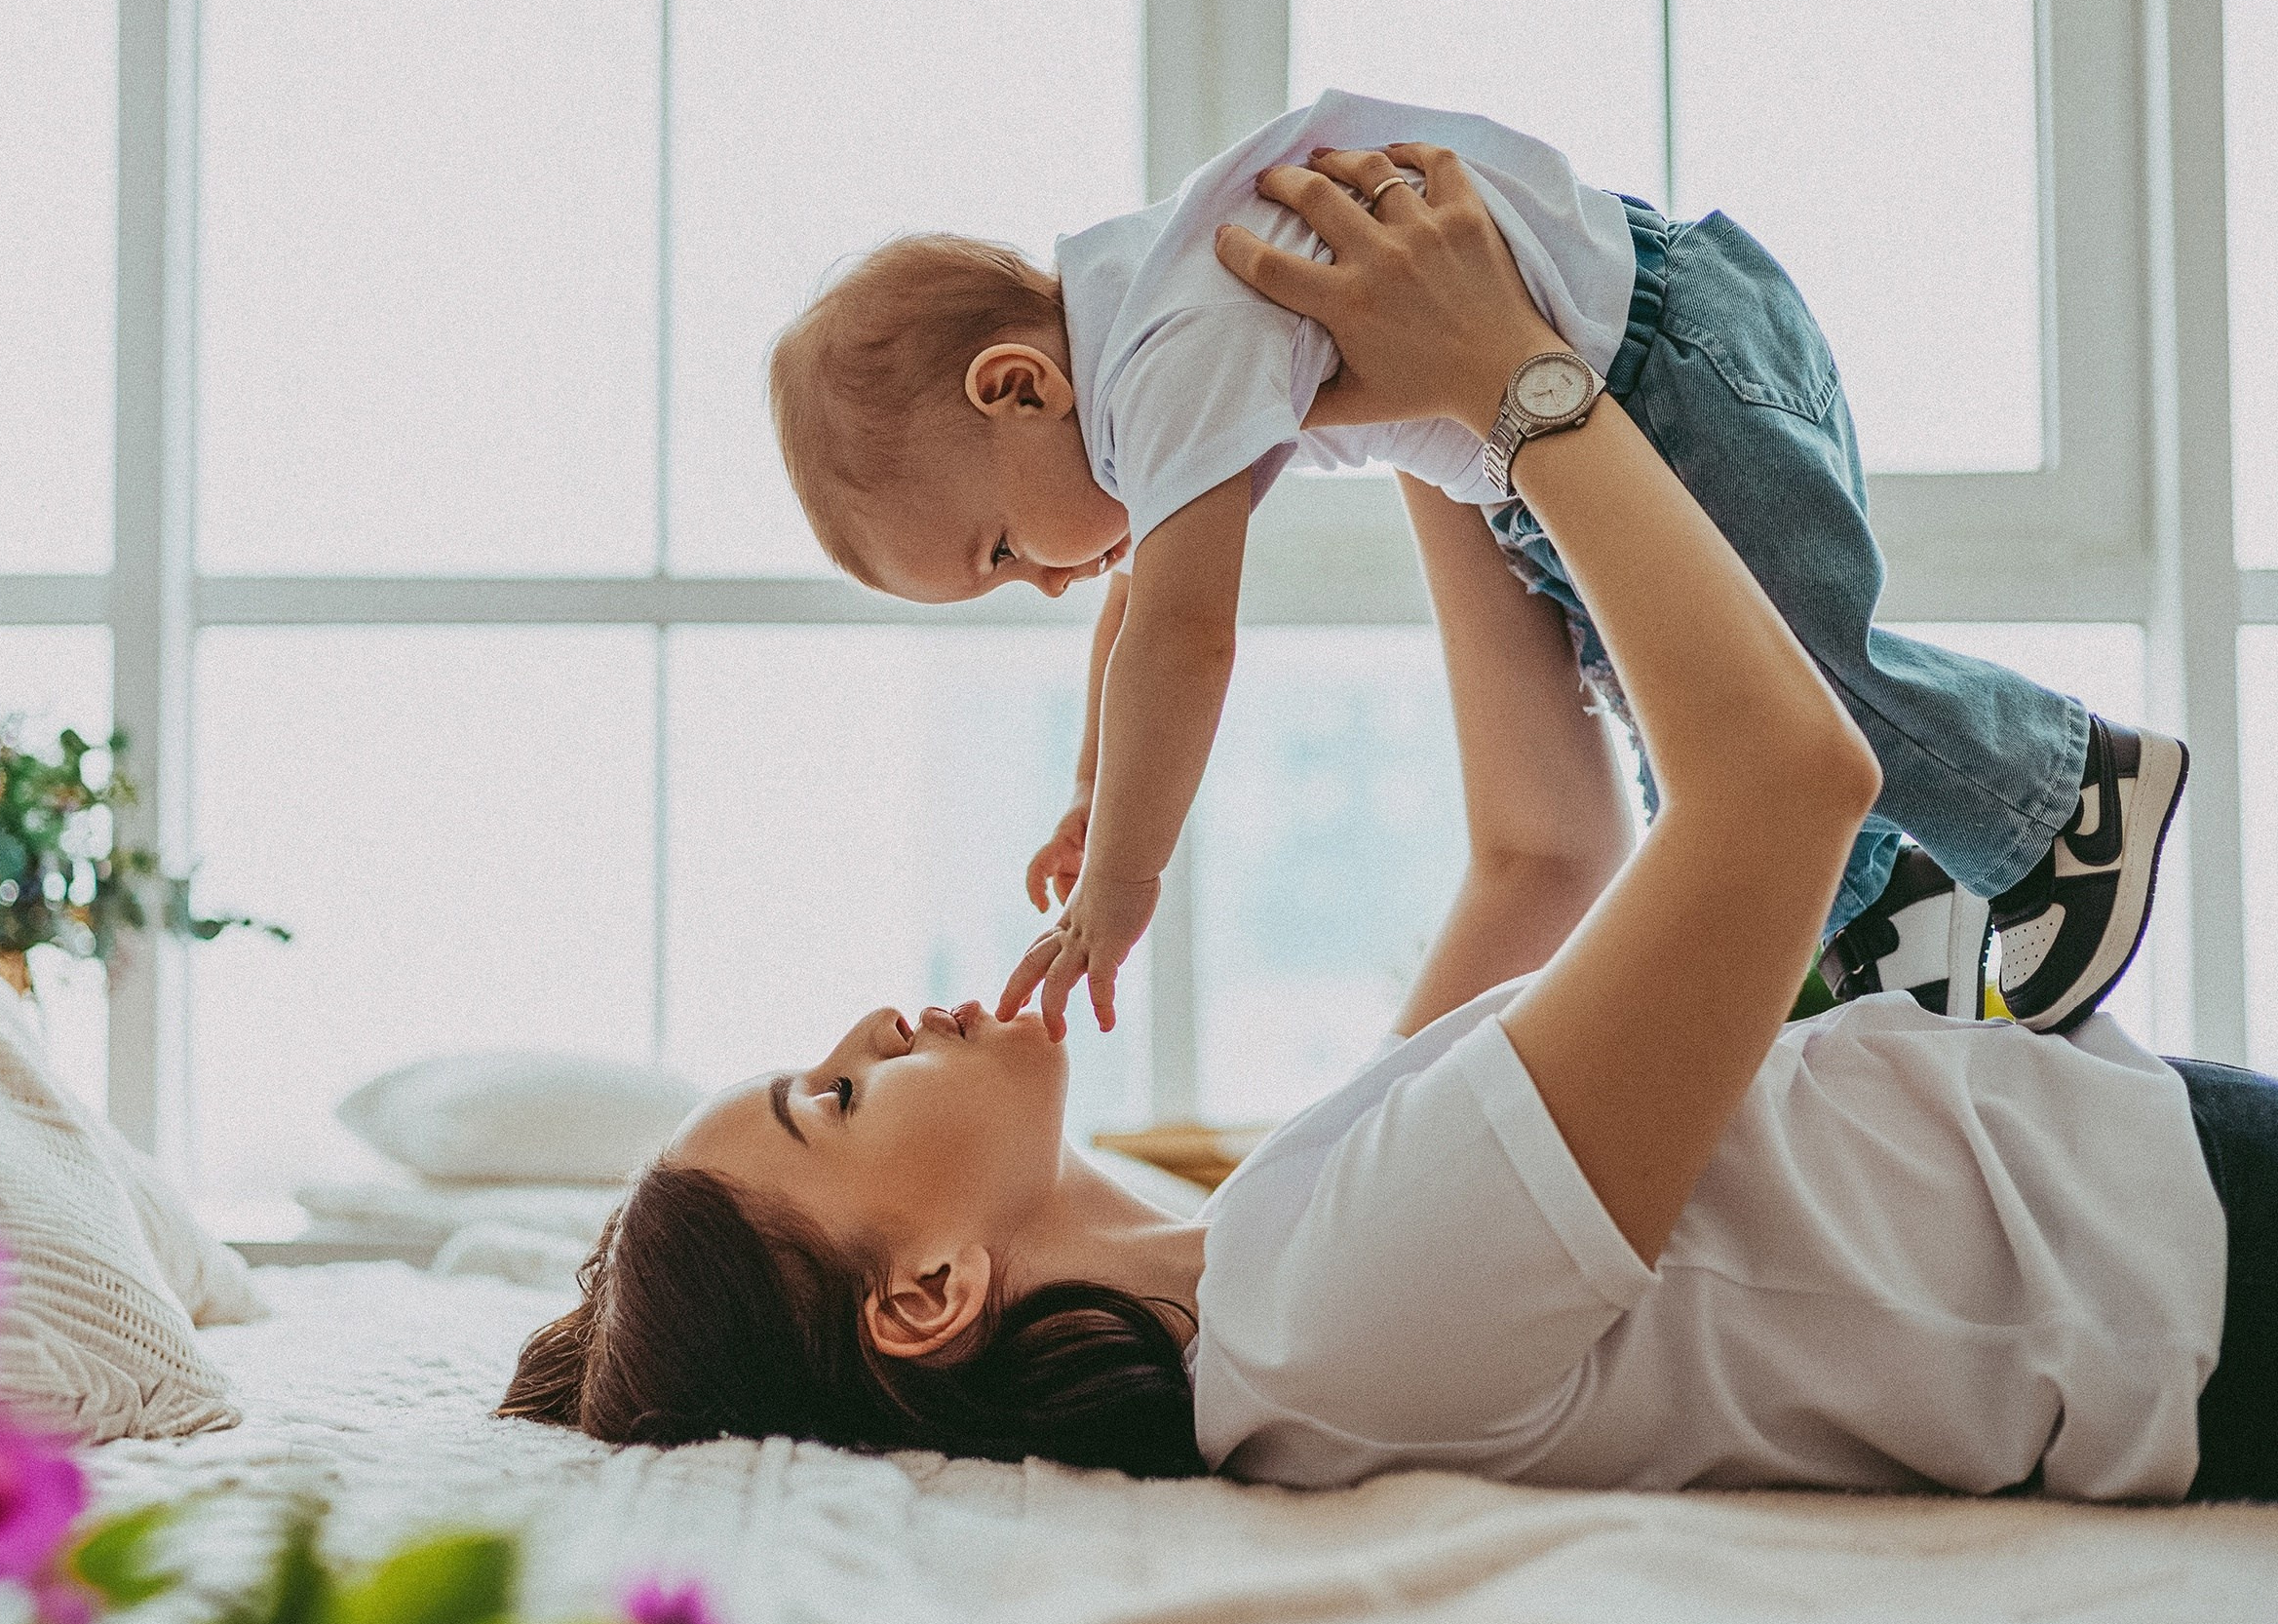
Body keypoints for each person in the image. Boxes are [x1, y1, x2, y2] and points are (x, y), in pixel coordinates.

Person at [502, 145, 2275, 1503]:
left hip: (2144, 1172)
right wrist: (1511, 372)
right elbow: (1791, 786)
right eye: (834, 1096)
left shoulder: (1284, 1238)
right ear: (928, 1294)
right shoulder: (1341, 1307)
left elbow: (1543, 852)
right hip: (2196, 1253)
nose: (878, 1025)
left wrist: (1399, 398)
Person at [765, 92, 2186, 1041]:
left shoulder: (1166, 351)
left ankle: (2067, 795)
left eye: (1004, 553)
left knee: (1778, 702)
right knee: (1710, 750)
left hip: (1655, 375)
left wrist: (1120, 887)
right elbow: (1144, 601)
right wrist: (1092, 786)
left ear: (1017, 386)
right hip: (1585, 421)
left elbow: (1183, 636)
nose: (1051, 581)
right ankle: (1886, 927)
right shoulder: (1142, 346)